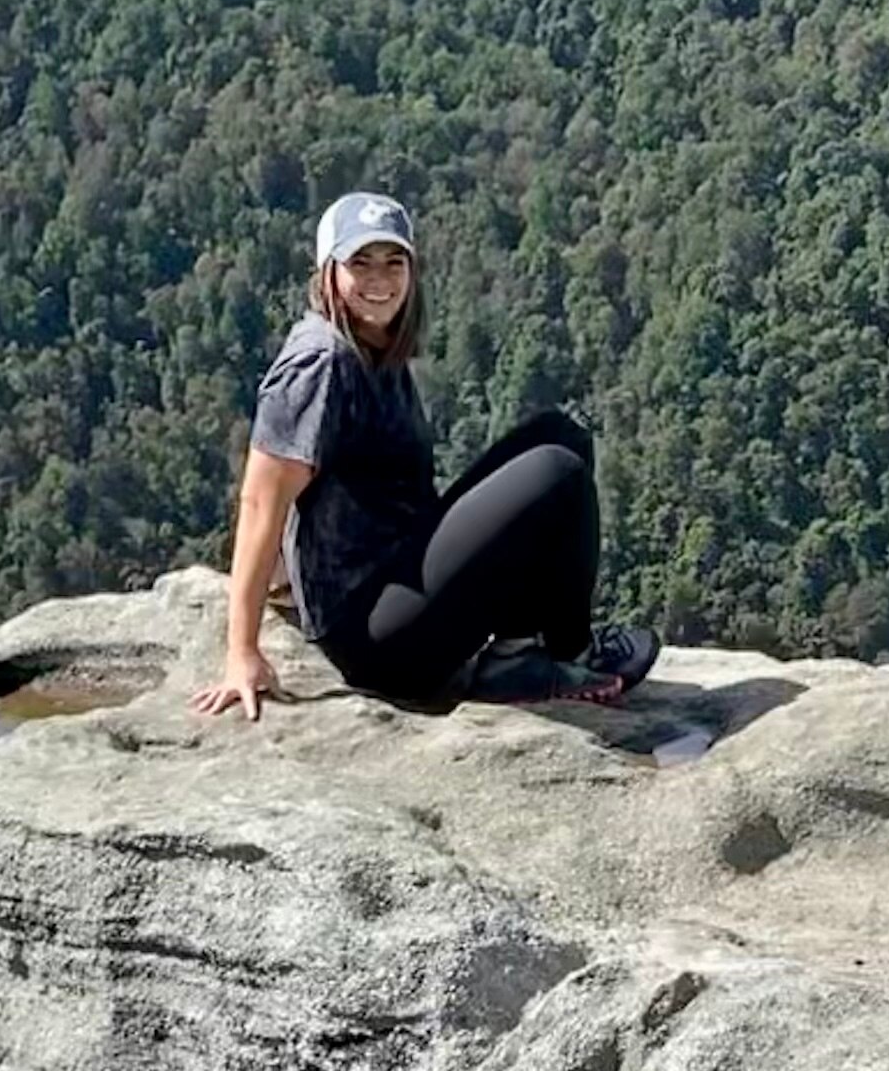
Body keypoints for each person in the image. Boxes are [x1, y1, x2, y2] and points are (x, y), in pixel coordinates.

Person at [192, 189, 658, 724]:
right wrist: (242, 653)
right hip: (376, 638)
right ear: (327, 273)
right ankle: (564, 652)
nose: (379, 279)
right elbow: (260, 502)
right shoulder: (320, 363)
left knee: (562, 435)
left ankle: (524, 651)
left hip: (397, 574)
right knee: (558, 473)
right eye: (359, 262)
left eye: (395, 262)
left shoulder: (374, 344)